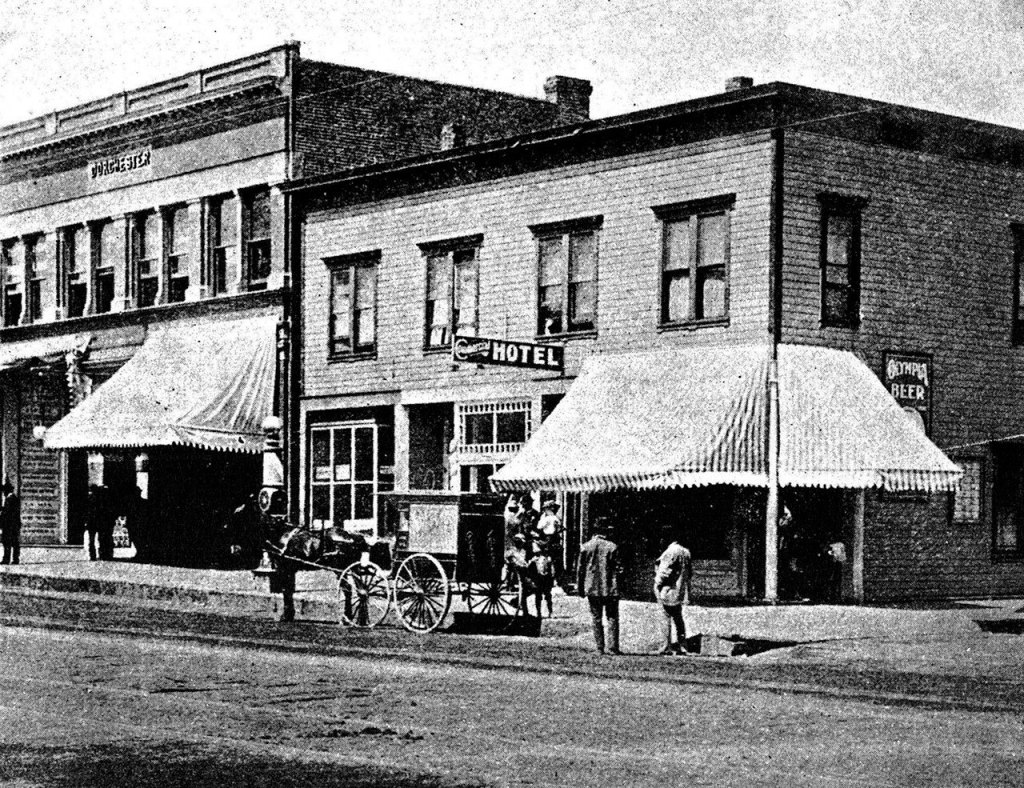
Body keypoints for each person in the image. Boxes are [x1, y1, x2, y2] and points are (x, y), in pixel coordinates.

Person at [576, 517, 621, 655]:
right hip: (610, 588)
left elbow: (580, 570)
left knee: (596, 618)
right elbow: (619, 569)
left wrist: (580, 588)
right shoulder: (613, 547)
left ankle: (599, 648)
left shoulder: (586, 547)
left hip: (592, 587)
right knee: (612, 617)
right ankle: (613, 648)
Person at [653, 530, 693, 655]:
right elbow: (689, 573)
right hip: (679, 589)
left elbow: (665, 571)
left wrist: (657, 583)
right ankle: (682, 645)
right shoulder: (686, 552)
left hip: (669, 588)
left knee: (665, 616)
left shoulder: (670, 552)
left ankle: (666, 646)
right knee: (678, 618)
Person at [537, 500, 564, 586]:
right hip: (555, 540)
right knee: (555, 561)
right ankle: (557, 580)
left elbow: (539, 527)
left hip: (548, 539)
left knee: (547, 559)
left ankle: (546, 579)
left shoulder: (547, 518)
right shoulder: (557, 518)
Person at [528, 542, 555, 618]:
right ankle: (538, 613)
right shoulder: (535, 559)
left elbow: (552, 569)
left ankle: (550, 612)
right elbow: (529, 567)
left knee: (548, 596)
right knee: (538, 596)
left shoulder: (548, 559)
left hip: (546, 578)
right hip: (539, 579)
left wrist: (552, 577)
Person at [0, 479, 22, 566]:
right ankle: (14, 559)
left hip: (9, 525)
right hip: (14, 524)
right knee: (14, 542)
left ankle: (7, 559)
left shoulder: (10, 499)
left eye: (4, 491)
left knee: (8, 542)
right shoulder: (13, 498)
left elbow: (7, 513)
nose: (3, 493)